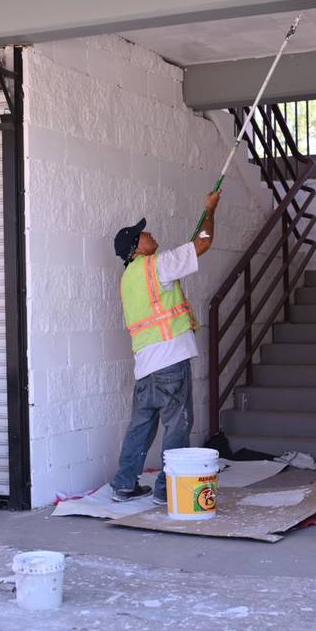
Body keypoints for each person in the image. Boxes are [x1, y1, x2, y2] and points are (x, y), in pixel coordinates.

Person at [108, 190, 221, 502]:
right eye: (142, 234)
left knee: (140, 427)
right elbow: (204, 243)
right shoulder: (156, 265)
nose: (149, 233)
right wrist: (210, 209)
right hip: (171, 362)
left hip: (145, 367)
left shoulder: (129, 277)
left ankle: (124, 484)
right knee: (177, 427)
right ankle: (165, 491)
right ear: (135, 248)